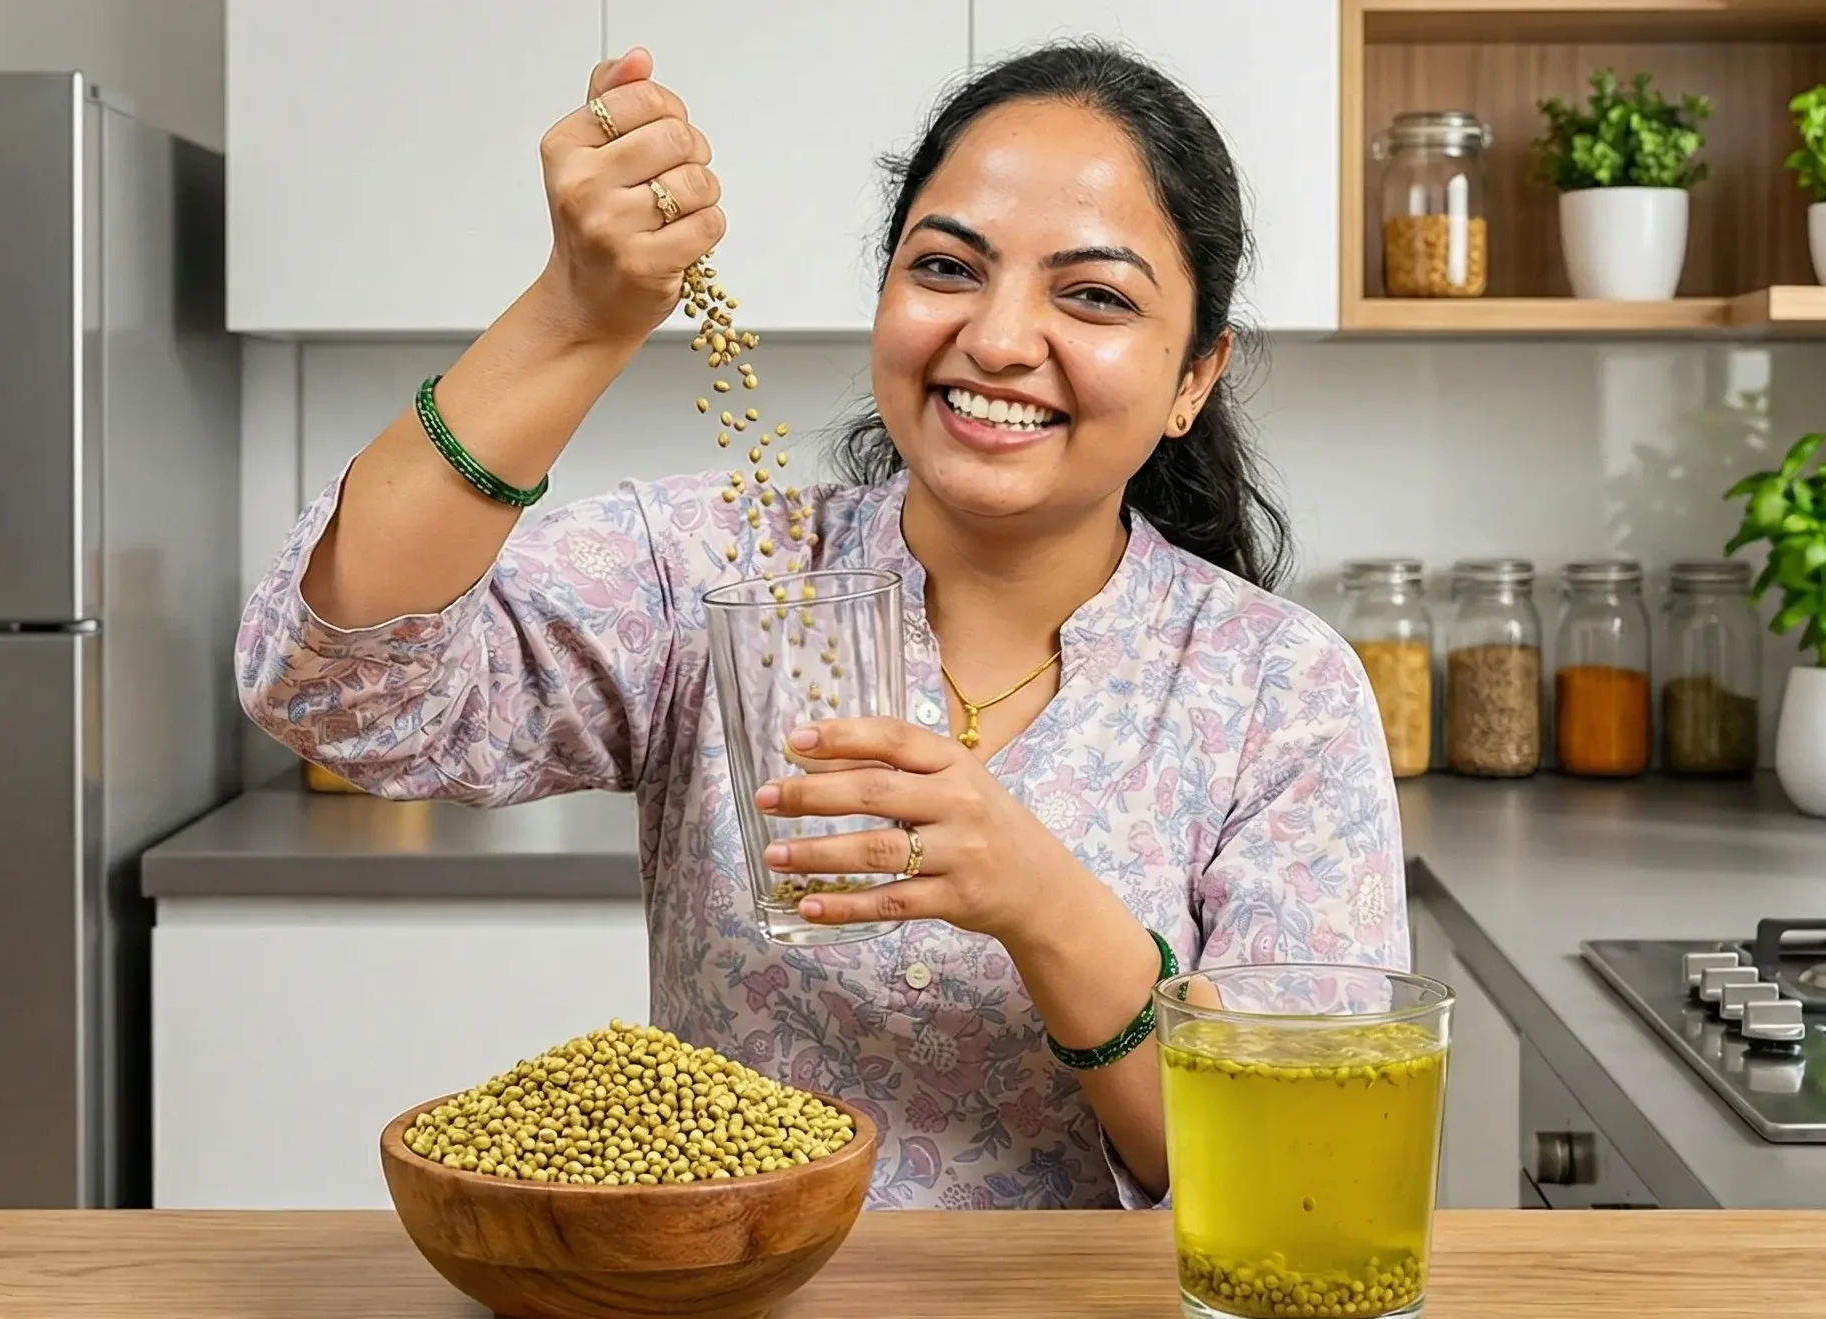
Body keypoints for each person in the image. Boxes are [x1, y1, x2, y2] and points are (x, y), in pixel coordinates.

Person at [237, 40, 1406, 1209]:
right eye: (947, 267)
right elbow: (342, 693)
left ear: (1194, 375)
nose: (997, 339)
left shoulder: (1275, 688)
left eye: (1092, 294)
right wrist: (575, 318)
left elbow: (1293, 1180)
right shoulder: (719, 565)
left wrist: (1044, 907)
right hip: (720, 1308)